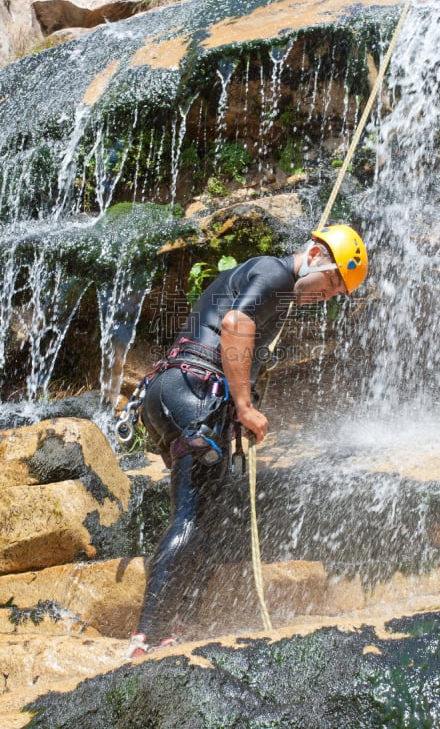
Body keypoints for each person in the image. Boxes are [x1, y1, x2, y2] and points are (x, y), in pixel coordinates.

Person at [125, 224, 368, 658]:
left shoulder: (270, 282)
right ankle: (145, 638)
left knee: (210, 516)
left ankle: (173, 627)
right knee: (192, 518)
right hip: (195, 392)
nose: (327, 295)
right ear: (314, 254)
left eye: (336, 293)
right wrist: (244, 406)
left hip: (172, 392)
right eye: (331, 281)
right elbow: (236, 324)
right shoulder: (276, 274)